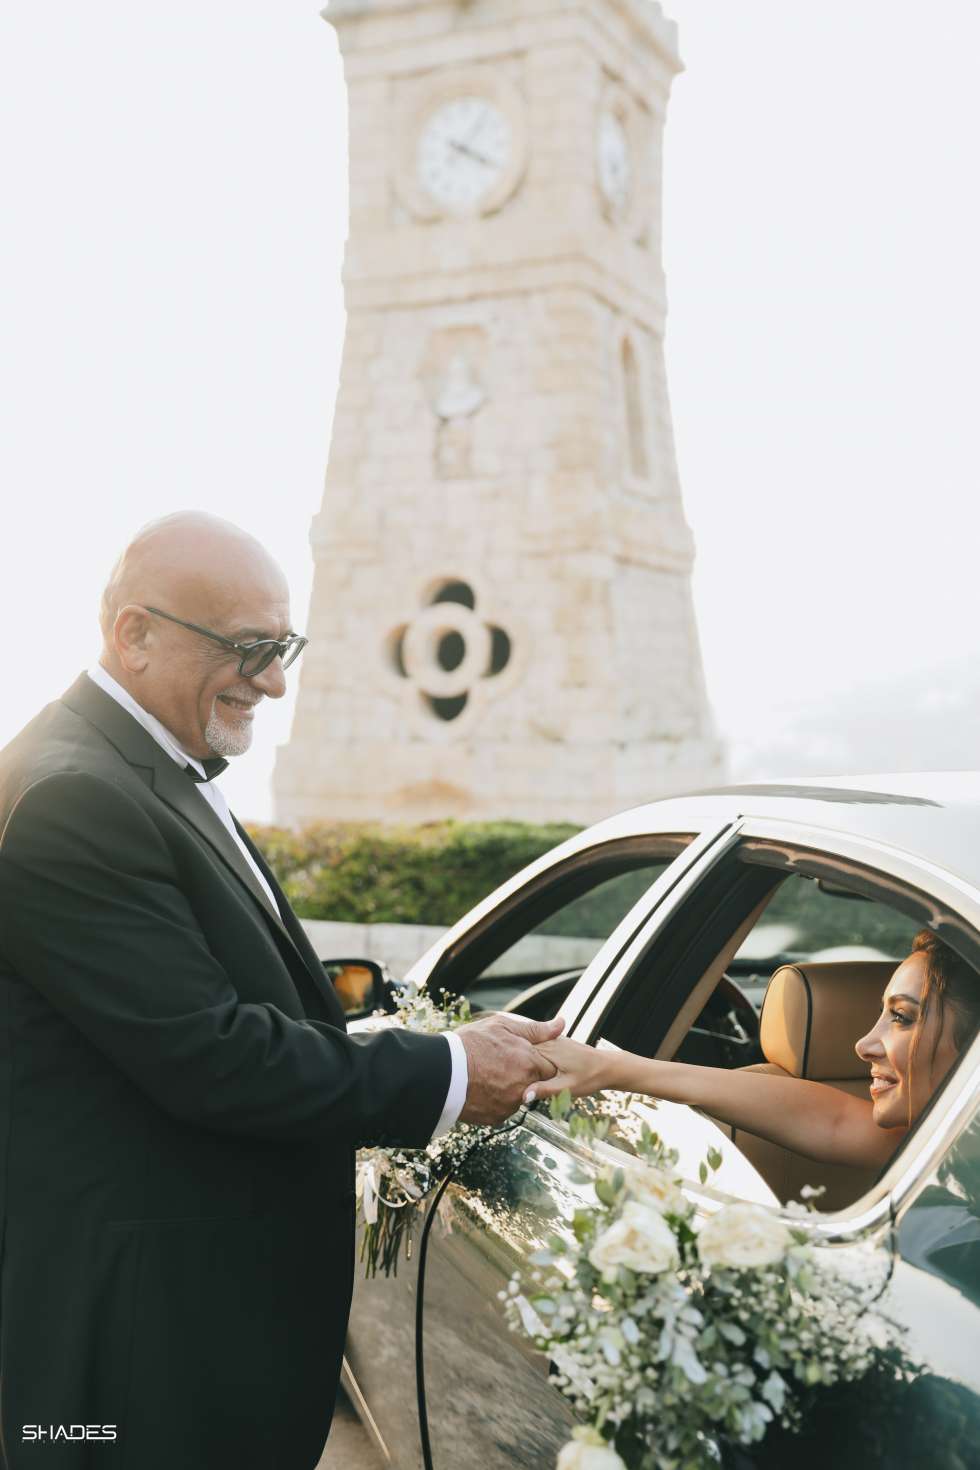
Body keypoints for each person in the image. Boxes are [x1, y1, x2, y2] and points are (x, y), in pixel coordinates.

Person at [0, 511, 560, 1470]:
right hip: (142, 1352)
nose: (275, 681)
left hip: (190, 1322)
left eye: (284, 645)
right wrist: (448, 1072)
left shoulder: (147, 767)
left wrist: (414, 1039)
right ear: (134, 634)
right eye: (249, 649)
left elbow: (222, 1010)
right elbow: (212, 1056)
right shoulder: (72, 796)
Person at [525, 930, 979, 1172]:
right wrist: (612, 1067)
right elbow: (833, 1121)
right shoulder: (940, 1144)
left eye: (900, 1017)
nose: (863, 1045)